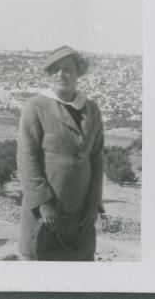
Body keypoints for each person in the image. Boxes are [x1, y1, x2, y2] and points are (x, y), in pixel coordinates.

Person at [17, 45, 104, 261]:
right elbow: (27, 158)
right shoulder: (35, 107)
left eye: (67, 69)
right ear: (48, 74)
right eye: (55, 69)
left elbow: (97, 159)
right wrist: (42, 203)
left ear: (78, 73)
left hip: (80, 211)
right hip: (46, 211)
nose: (61, 74)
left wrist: (94, 204)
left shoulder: (91, 110)